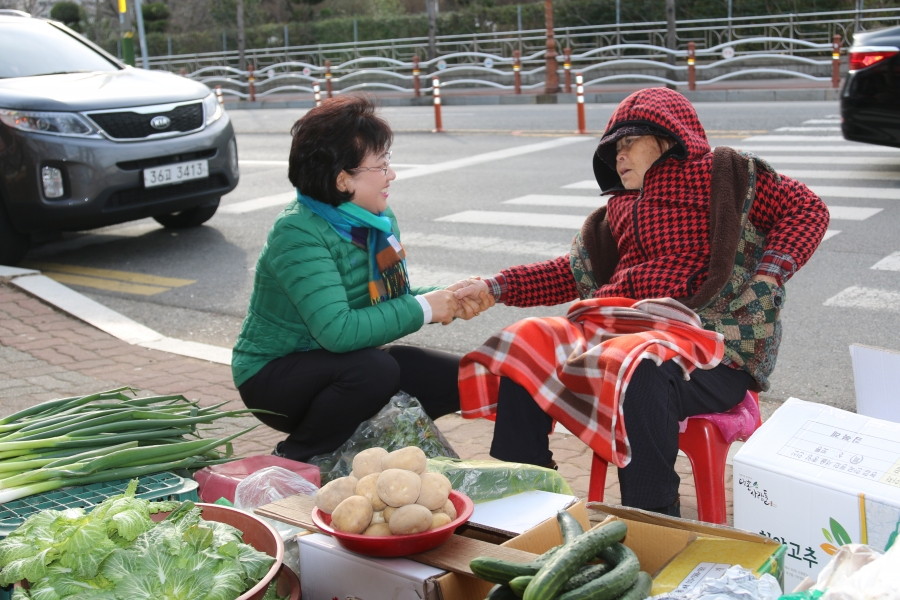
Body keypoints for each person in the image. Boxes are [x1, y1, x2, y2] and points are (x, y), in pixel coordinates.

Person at [452, 87, 830, 516]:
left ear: (668, 137)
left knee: (640, 364)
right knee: (526, 341)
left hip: (711, 347)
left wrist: (767, 277)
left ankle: (652, 517)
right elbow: (568, 274)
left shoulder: (728, 173)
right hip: (619, 334)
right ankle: (525, 494)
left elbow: (808, 209)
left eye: (628, 142)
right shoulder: (615, 212)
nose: (618, 156)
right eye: (612, 149)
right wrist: (493, 287)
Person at [231, 95, 493, 462]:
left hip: (340, 362)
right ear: (342, 180)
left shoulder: (376, 222)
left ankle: (372, 446)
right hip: (274, 378)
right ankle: (295, 460)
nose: (392, 175)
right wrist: (425, 309)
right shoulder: (297, 232)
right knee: (375, 371)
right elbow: (338, 331)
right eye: (381, 165)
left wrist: (446, 298)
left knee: (461, 377)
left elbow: (390, 299)